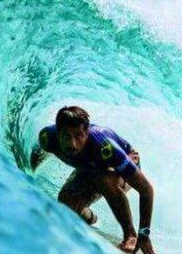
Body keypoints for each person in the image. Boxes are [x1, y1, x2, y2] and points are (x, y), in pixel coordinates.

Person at [30, 106, 156, 254]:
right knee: (65, 204)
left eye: (78, 136)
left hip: (119, 166)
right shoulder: (47, 138)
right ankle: (90, 219)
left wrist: (144, 234)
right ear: (58, 133)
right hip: (89, 168)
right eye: (66, 137)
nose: (73, 144)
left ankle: (130, 235)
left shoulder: (104, 147)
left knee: (104, 179)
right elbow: (36, 156)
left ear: (87, 133)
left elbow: (146, 189)